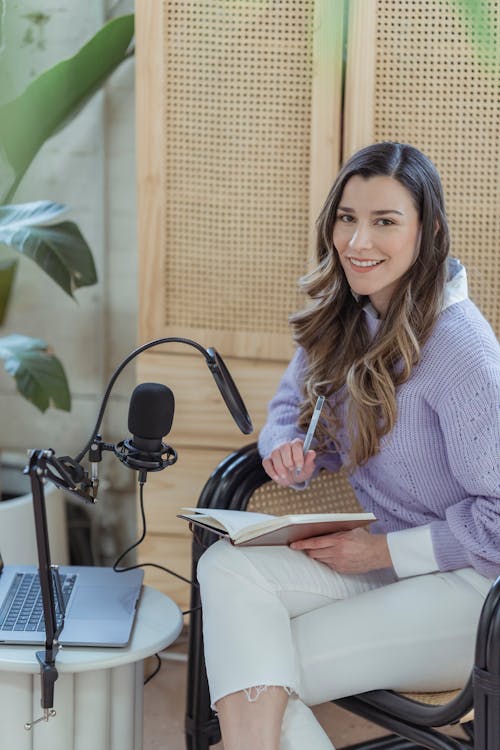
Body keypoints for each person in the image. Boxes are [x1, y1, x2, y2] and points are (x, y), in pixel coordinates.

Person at [197, 141, 500, 750]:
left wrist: (383, 552)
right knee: (225, 567)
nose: (359, 243)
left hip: (474, 590)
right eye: (347, 218)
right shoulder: (346, 313)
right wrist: (287, 446)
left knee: (257, 674)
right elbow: (290, 405)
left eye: (385, 222)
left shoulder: (462, 352)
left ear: (428, 231)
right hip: (385, 567)